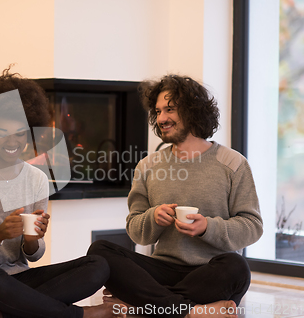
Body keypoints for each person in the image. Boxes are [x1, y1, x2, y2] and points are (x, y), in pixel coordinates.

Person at [0, 68, 124, 318]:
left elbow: (35, 255)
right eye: (2, 134)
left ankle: (1, 314)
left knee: (98, 265)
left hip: (19, 280)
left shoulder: (36, 178)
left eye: (20, 134)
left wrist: (32, 239)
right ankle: (82, 315)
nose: (13, 142)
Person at [87, 74, 263, 318]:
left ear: (193, 112)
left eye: (169, 109)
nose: (161, 118)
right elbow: (135, 230)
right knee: (100, 251)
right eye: (157, 111)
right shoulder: (147, 167)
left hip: (211, 270)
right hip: (162, 268)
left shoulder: (233, 163)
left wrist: (207, 228)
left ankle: (144, 307)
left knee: (237, 268)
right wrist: (152, 218)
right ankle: (192, 311)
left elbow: (252, 226)